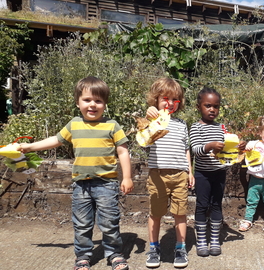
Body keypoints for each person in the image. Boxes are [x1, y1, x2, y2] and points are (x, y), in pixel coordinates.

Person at [19, 76, 133, 270]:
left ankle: (114, 253)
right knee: (82, 224)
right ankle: (83, 256)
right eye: (87, 100)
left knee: (109, 222)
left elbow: (123, 151)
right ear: (77, 102)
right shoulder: (74, 124)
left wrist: (128, 177)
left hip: (106, 184)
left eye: (98, 101)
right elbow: (55, 140)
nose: (92, 105)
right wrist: (30, 147)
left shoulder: (112, 125)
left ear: (105, 104)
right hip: (81, 185)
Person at [143, 78, 194, 268]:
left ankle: (180, 248)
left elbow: (186, 148)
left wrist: (190, 171)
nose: (170, 103)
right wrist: (149, 117)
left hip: (180, 174)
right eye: (165, 98)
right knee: (155, 213)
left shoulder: (181, 124)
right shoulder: (152, 121)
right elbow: (143, 138)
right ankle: (154, 247)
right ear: (155, 100)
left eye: (174, 100)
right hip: (157, 174)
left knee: (180, 213)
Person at [189, 87, 245, 257]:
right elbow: (195, 150)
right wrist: (209, 146)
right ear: (199, 107)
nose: (212, 109)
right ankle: (201, 240)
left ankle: (214, 239)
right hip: (202, 174)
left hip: (219, 172)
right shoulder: (196, 127)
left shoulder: (221, 127)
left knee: (216, 204)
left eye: (216, 106)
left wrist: (238, 147)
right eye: (208, 105)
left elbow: (228, 148)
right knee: (201, 205)